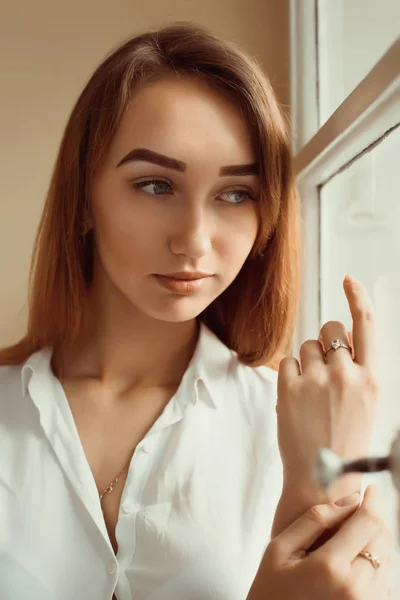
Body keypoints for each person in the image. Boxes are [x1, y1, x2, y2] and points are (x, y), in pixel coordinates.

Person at [0, 21, 392, 600]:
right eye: (156, 185)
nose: (195, 240)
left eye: (237, 194)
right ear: (84, 199)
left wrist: (324, 484)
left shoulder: (301, 432)